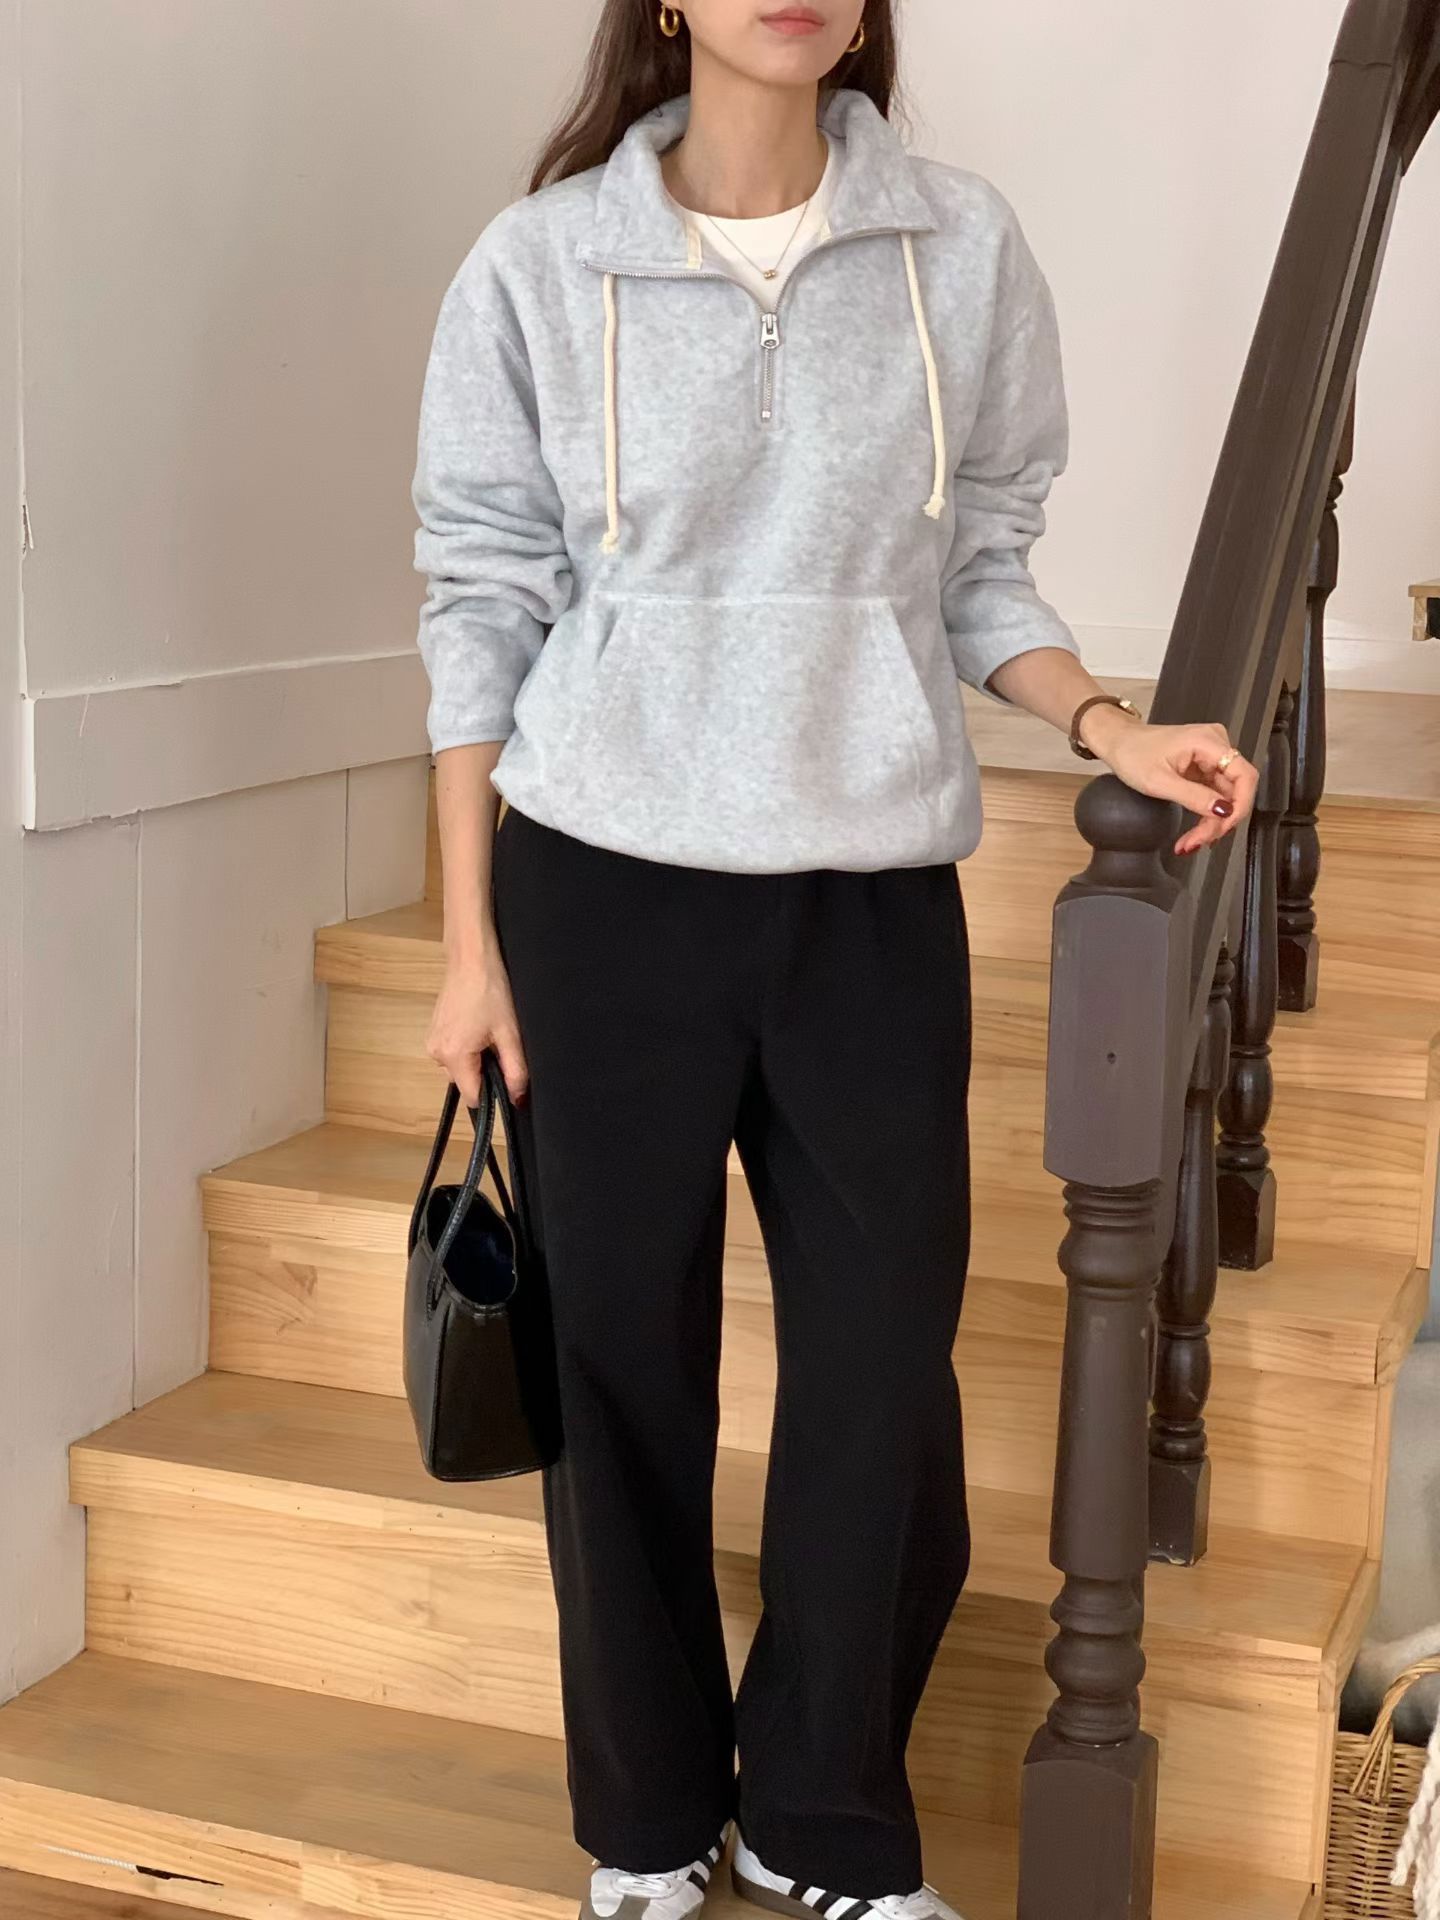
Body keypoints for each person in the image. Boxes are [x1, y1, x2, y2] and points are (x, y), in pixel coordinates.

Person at [411, 5, 1259, 1918]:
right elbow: (481, 603)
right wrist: (468, 945)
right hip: (599, 892)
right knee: (620, 1367)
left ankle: (824, 1821)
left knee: (881, 1371)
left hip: (867, 902)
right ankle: (645, 1826)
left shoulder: (961, 245)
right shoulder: (541, 264)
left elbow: (984, 569)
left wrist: (1106, 722)